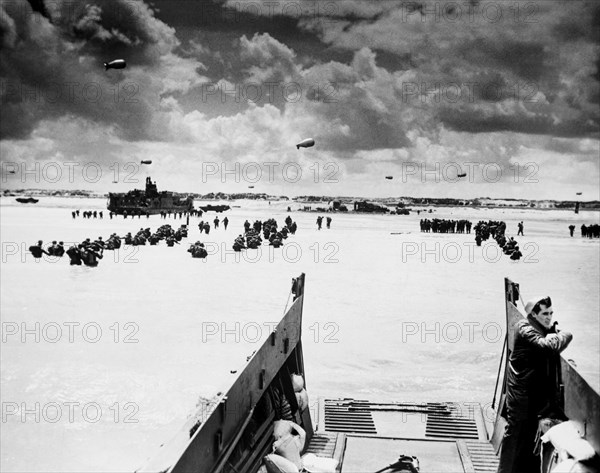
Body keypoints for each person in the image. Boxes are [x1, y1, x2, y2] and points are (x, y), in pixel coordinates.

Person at [497, 296, 572, 473]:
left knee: (528, 444)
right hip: (521, 399)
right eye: (545, 313)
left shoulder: (535, 328)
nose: (549, 317)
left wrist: (551, 331)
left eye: (551, 313)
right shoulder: (524, 328)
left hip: (530, 398)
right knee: (514, 442)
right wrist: (565, 335)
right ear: (533, 314)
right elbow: (546, 347)